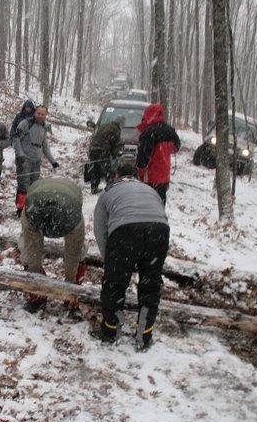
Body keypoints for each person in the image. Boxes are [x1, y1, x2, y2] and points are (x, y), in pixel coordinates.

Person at [93, 162, 169, 351]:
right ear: (137, 176)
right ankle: (144, 334)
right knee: (150, 285)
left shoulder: (108, 193)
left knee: (115, 284)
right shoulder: (150, 190)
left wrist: (109, 260)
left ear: (117, 175)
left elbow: (100, 230)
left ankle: (111, 331)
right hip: (159, 230)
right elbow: (159, 215)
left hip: (125, 230)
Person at [20, 178, 87, 316]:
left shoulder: (73, 218)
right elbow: (33, 251)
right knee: (29, 254)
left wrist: (71, 279)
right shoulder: (32, 214)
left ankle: (71, 299)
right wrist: (34, 268)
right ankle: (37, 296)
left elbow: (72, 254)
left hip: (70, 201)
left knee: (77, 255)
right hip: (37, 200)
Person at [12, 105, 59, 217]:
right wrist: (20, 155)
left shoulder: (43, 127)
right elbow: (16, 138)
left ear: (45, 115)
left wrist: (53, 161)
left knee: (34, 186)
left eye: (43, 114)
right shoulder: (25, 123)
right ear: (35, 113)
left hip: (36, 161)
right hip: (24, 159)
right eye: (38, 113)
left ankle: (30, 208)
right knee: (23, 185)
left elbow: (45, 146)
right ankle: (20, 210)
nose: (40, 116)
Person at [136, 103, 181, 204]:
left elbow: (143, 158)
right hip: (164, 176)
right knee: (160, 202)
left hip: (150, 176)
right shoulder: (170, 131)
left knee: (147, 204)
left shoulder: (148, 133)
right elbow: (176, 147)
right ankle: (159, 218)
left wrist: (140, 172)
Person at [87, 115, 125, 194]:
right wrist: (115, 155)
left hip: (93, 149)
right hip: (102, 150)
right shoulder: (115, 130)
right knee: (108, 170)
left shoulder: (104, 126)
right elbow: (115, 145)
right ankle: (110, 188)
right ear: (120, 123)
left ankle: (94, 187)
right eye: (123, 123)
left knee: (95, 169)